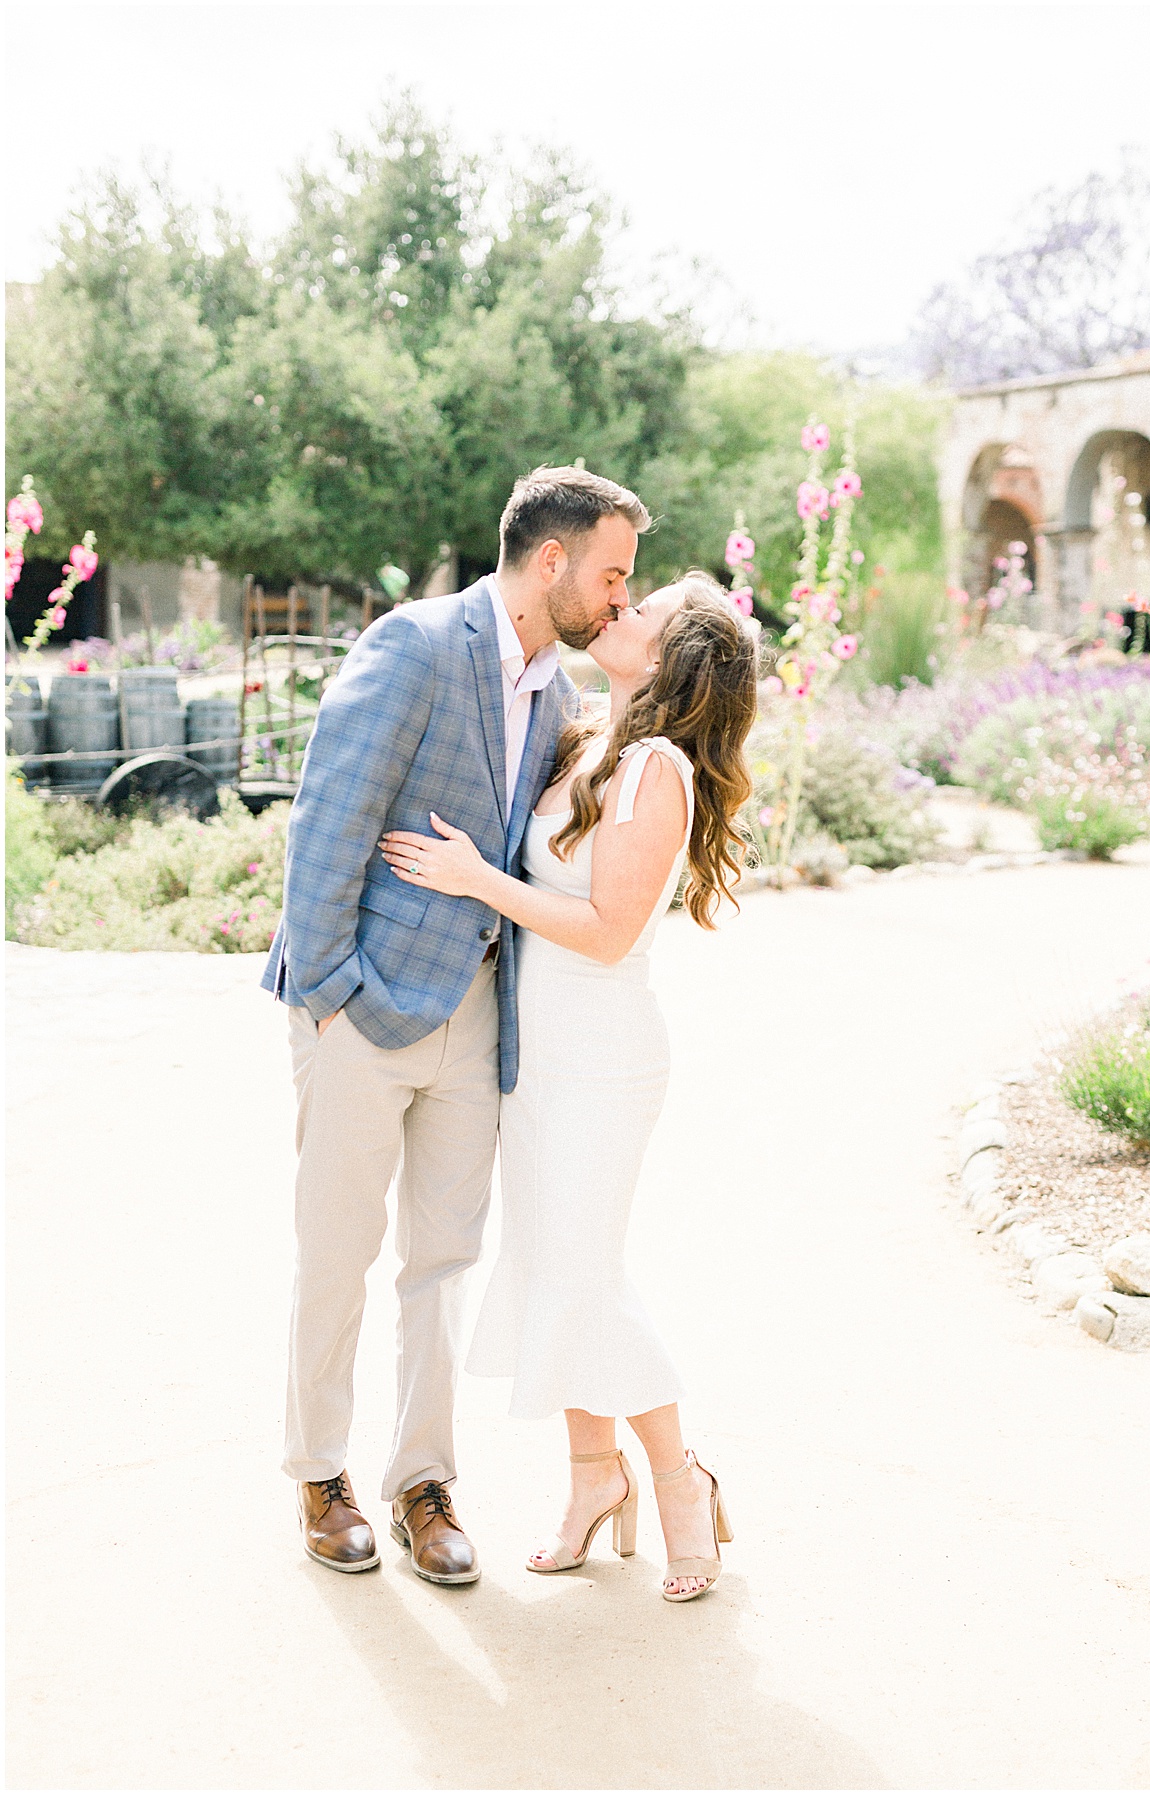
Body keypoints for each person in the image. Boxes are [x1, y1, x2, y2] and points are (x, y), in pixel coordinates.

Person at [265, 465, 651, 1583]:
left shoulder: (561, 694)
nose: (619, 601)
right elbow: (327, 818)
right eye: (612, 574)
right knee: (337, 1249)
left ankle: (423, 1484)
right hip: (358, 1008)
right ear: (550, 562)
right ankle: (319, 1471)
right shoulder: (415, 643)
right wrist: (330, 991)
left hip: (480, 1018)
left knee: (442, 1259)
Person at [380, 570, 758, 1600]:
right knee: (551, 1268)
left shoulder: (659, 770)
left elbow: (607, 931)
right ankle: (595, 1478)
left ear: (676, 656)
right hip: (534, 1057)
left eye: (647, 609)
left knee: (584, 1276)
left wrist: (476, 879)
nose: (618, 610)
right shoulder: (587, 734)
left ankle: (681, 1480)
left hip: (602, 1059)